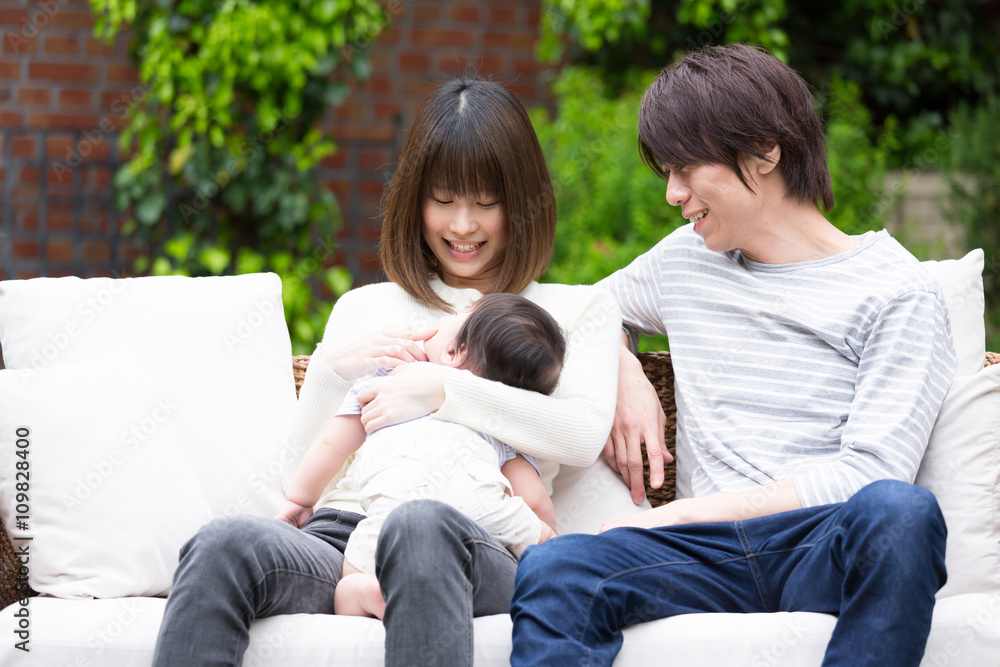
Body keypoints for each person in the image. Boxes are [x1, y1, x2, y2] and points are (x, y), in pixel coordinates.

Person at [509, 44, 957, 666]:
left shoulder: (898, 293)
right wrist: (624, 366)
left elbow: (867, 477)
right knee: (557, 566)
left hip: (814, 544)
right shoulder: (686, 261)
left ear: (764, 152)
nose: (672, 194)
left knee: (900, 514)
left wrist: (682, 515)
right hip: (700, 559)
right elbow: (576, 311)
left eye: (684, 170)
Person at [151, 77, 622, 667]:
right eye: (444, 199)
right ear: (414, 198)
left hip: (474, 535)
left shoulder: (571, 312)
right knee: (222, 544)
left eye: (486, 202)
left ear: (522, 198)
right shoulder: (364, 307)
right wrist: (330, 369)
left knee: (419, 525)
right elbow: (304, 468)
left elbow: (579, 435)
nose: (463, 225)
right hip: (344, 536)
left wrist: (443, 390)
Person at [275, 292, 565, 619]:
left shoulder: (383, 384)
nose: (437, 321)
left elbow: (332, 446)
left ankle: (368, 592)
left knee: (351, 582)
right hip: (477, 517)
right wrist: (539, 532)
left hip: (386, 518)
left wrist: (301, 499)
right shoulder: (491, 418)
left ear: (455, 353)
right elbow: (536, 501)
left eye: (457, 314)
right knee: (545, 550)